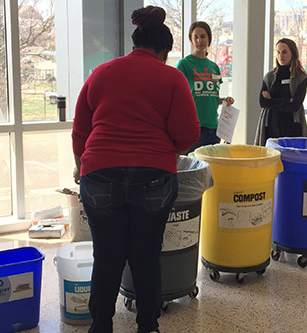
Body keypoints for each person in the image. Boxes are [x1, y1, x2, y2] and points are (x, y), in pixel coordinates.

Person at [72, 6, 200, 333]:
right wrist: (162, 146)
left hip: (99, 174)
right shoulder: (171, 77)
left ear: (135, 43)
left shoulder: (101, 72)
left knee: (107, 256)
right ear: (164, 51)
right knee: (145, 255)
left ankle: (100, 326)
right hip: (153, 176)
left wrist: (79, 167)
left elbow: (80, 131)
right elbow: (188, 136)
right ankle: (147, 326)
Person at [176, 21, 234, 153]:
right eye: (195, 37)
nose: (199, 40)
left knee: (211, 169)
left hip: (214, 128)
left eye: (202, 36)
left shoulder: (214, 67)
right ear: (191, 39)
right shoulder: (184, 64)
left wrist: (224, 100)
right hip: (194, 127)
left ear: (209, 39)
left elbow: (211, 95)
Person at [254, 38, 307, 146]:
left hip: (293, 128)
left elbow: (295, 106)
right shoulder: (270, 76)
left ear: (293, 54)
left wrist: (272, 100)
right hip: (271, 127)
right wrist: (287, 100)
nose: (280, 56)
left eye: (284, 52)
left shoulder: (301, 77)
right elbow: (263, 103)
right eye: (278, 52)